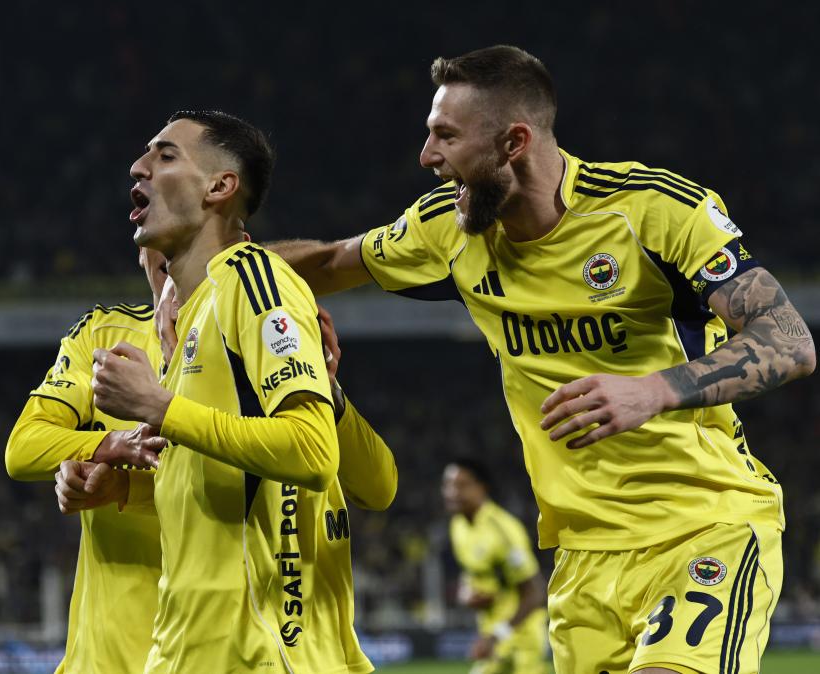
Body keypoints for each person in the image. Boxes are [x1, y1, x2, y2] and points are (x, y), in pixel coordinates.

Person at [268, 45, 816, 674]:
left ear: (514, 142)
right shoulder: (446, 230)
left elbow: (789, 341)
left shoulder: (649, 209)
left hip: (701, 528)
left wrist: (653, 390)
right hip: (581, 559)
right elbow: (329, 262)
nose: (426, 156)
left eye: (446, 135)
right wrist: (213, 274)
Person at [54, 109, 396, 673]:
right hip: (186, 652)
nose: (138, 166)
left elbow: (315, 455)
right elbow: (226, 486)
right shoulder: (190, 329)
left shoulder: (250, 280)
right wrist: (122, 487)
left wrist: (155, 406)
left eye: (166, 155)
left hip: (258, 654)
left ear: (219, 186)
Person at [4, 246, 167, 674]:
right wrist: (105, 445)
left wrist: (125, 488)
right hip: (99, 663)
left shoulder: (241, 347)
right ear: (142, 251)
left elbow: (253, 481)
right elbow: (23, 447)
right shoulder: (104, 335)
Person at [442, 458, 548, 674]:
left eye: (461, 485)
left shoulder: (502, 529)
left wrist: (498, 635)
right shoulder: (458, 526)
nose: (452, 492)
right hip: (493, 637)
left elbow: (535, 593)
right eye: (448, 485)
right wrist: (465, 593)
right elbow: (471, 572)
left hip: (521, 639)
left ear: (482, 487)